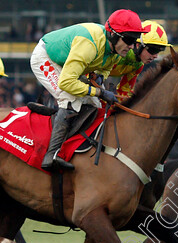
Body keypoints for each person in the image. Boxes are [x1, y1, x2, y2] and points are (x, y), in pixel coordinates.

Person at [30, 9, 147, 171]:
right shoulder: (89, 45)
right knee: (70, 98)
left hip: (68, 64)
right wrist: (99, 92)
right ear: (112, 35)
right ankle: (51, 155)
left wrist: (99, 78)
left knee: (95, 105)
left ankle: (77, 147)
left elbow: (105, 68)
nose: (131, 46)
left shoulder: (115, 50)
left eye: (135, 41)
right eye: (128, 39)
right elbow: (66, 82)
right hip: (46, 57)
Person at [108, 20, 171, 101]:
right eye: (153, 50)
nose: (156, 56)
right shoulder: (118, 54)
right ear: (138, 45)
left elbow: (124, 91)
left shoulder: (138, 65)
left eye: (158, 51)